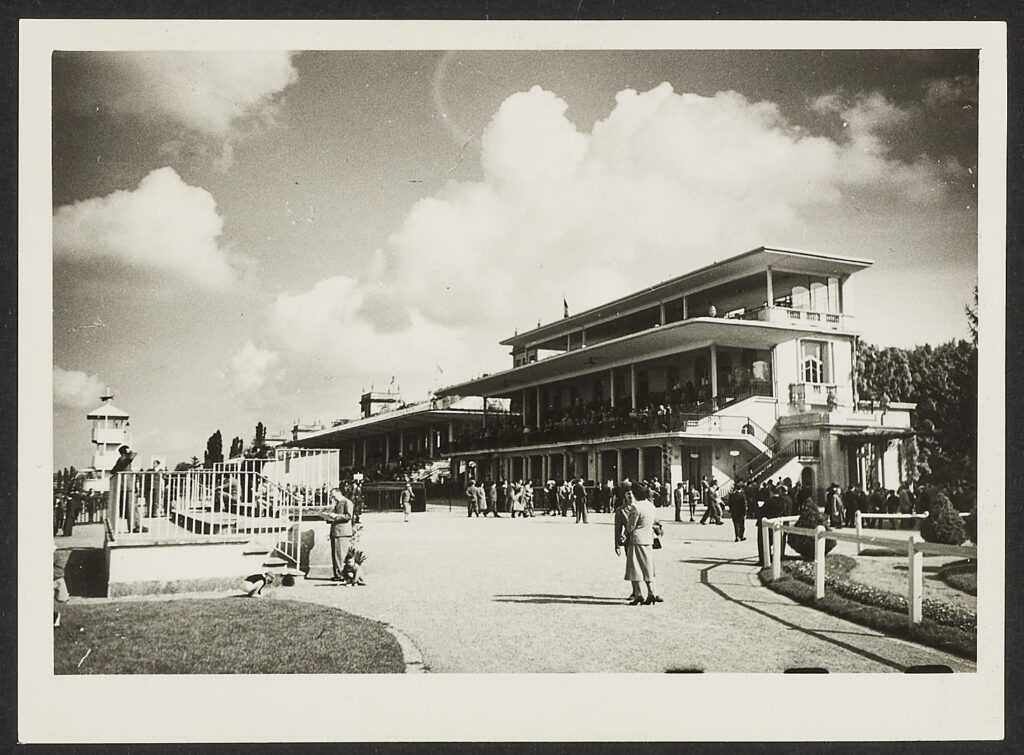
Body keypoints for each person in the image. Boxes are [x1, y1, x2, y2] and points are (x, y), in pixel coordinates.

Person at [618, 484, 662, 605]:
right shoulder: (651, 506)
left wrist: (625, 534)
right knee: (647, 567)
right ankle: (651, 592)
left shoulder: (636, 508)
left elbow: (631, 525)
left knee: (635, 567)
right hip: (648, 540)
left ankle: (638, 594)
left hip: (636, 540)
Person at [322, 485, 355, 581]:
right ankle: (337, 574)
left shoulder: (347, 502)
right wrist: (328, 517)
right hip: (336, 532)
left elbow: (348, 516)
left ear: (339, 493)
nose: (333, 498)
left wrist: (336, 516)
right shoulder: (338, 503)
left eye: (334, 496)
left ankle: (342, 575)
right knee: (336, 555)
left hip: (342, 532)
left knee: (341, 555)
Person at [109, 445, 144, 533]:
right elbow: (131, 457)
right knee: (132, 507)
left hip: (125, 486)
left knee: (132, 507)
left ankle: (135, 525)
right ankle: (135, 526)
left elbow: (112, 471)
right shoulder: (123, 459)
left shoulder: (120, 460)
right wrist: (132, 451)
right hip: (128, 486)